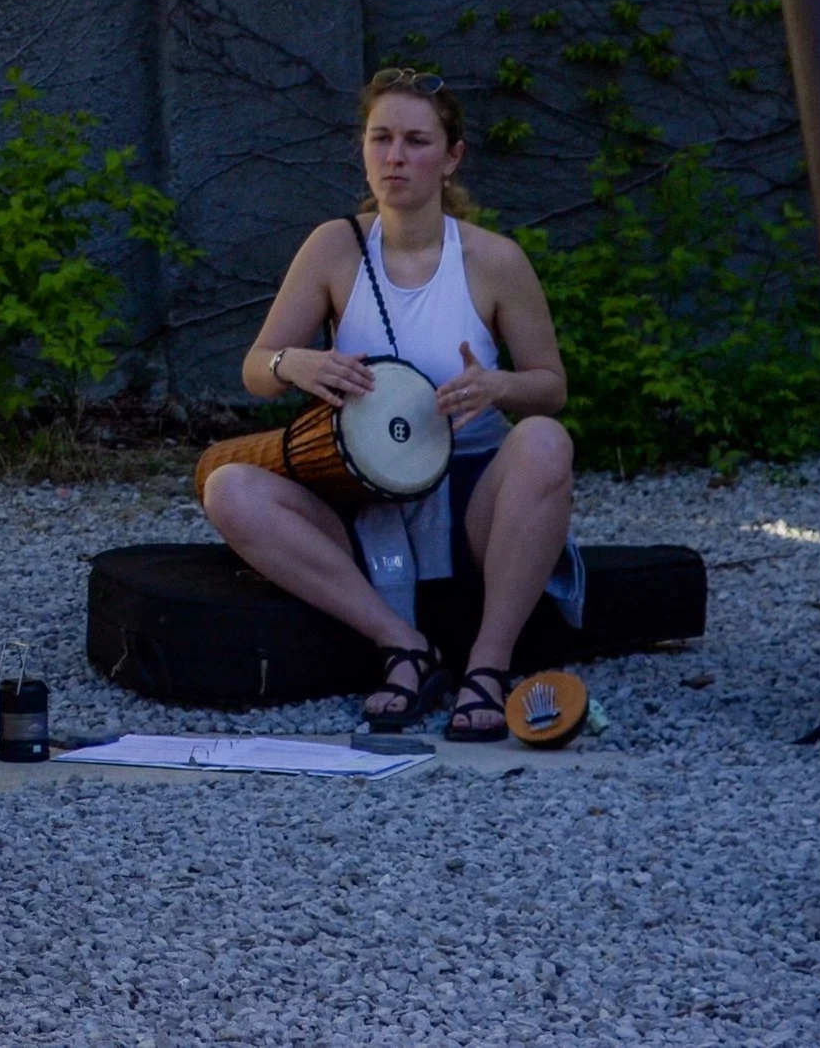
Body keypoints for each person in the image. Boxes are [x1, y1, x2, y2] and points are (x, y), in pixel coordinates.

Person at [202, 68, 579, 741]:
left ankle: (487, 667)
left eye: (415, 141)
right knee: (230, 487)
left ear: (452, 156)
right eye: (381, 139)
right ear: (363, 148)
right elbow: (257, 370)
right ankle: (403, 645)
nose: (396, 157)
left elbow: (550, 384)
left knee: (546, 441)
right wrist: (300, 362)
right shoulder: (334, 246)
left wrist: (499, 387)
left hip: (469, 494)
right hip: (361, 486)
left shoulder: (495, 260)